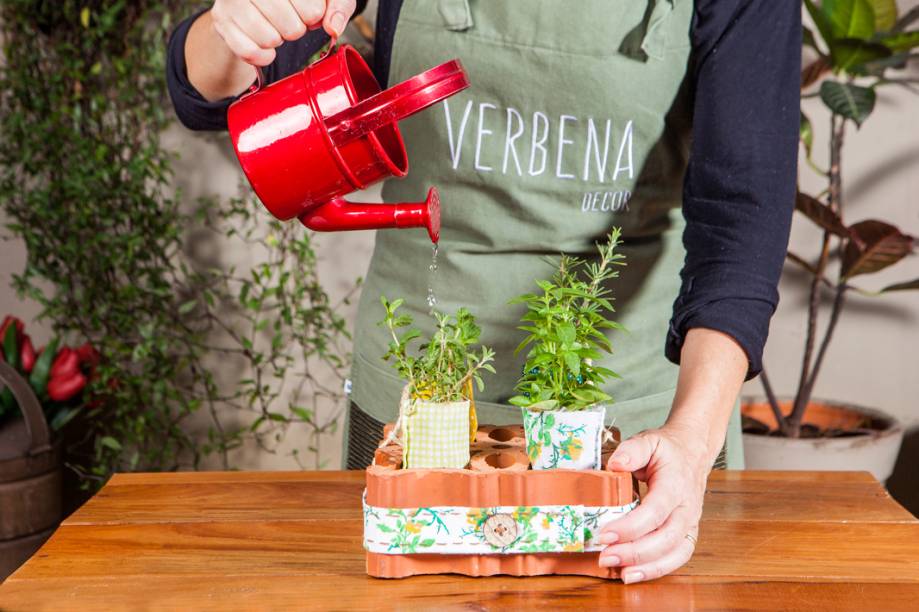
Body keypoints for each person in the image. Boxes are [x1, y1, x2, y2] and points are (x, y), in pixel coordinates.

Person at [167, 0, 800, 583]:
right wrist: (237, 27)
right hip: (409, 406)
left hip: (637, 426)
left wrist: (692, 442)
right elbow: (206, 92)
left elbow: (742, 211)